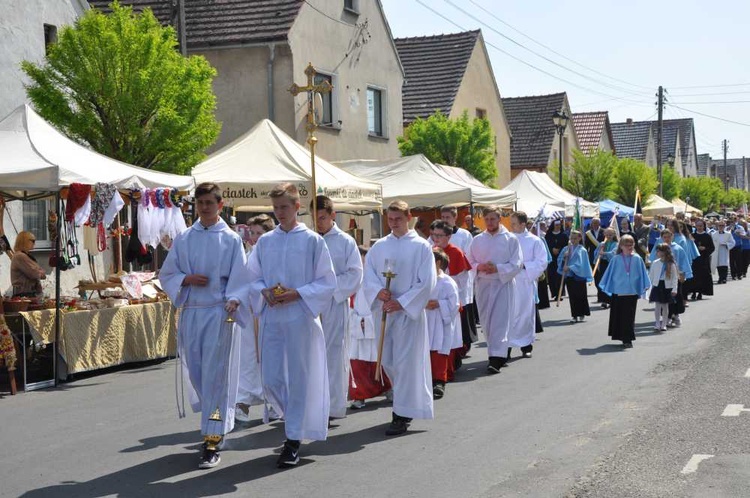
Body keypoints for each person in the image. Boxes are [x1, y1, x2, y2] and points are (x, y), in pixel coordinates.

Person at [160, 182, 251, 469]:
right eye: (200, 203)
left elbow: (241, 277)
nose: (204, 207)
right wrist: (185, 279)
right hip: (192, 313)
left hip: (219, 313)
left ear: (220, 205)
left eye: (210, 203)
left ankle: (212, 439)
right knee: (198, 375)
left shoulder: (231, 239)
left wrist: (235, 298)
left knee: (216, 378)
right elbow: (168, 273)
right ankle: (219, 421)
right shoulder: (185, 238)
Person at [246, 182, 336, 468]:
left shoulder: (312, 241)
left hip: (300, 316)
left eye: (284, 207)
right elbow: (252, 275)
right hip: (273, 315)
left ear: (297, 207)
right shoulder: (266, 241)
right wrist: (264, 291)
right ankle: (297, 419)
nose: (279, 212)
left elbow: (326, 281)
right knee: (271, 378)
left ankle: (293, 439)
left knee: (299, 377)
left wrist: (298, 293)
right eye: (275, 208)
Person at [362, 200, 436, 436]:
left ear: (408, 217)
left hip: (407, 315)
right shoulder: (379, 246)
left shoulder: (421, 247)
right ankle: (405, 404)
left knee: (406, 363)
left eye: (398, 219)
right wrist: (378, 291)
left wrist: (402, 302)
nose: (393, 224)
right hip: (384, 312)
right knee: (388, 362)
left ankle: (401, 414)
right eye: (390, 219)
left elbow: (426, 282)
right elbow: (369, 275)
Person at [313, 195, 363, 420]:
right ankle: (312, 403)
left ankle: (333, 405)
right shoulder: (309, 239)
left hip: (334, 302)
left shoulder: (345, 241)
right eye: (315, 219)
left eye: (322, 218)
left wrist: (331, 289)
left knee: (333, 353)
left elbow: (355, 273)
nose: (319, 223)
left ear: (333, 215)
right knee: (311, 354)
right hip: (311, 303)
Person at [467, 205, 522, 374]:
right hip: (483, 284)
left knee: (500, 321)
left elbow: (517, 263)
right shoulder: (477, 240)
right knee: (486, 321)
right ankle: (496, 352)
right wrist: (480, 266)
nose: (490, 222)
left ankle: (496, 358)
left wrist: (498, 268)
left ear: (499, 219)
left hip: (502, 284)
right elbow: (469, 262)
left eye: (493, 219)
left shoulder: (510, 239)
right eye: (487, 219)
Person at [235, 214, 275, 423]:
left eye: (260, 233)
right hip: (249, 313)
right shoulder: (247, 254)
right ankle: (243, 402)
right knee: (249, 357)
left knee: (270, 357)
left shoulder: (273, 254)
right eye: (253, 233)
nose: (255, 237)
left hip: (268, 309)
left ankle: (275, 401)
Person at [348, 246, 392, 410]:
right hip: (357, 323)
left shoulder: (377, 279)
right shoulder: (353, 279)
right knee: (358, 362)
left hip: (375, 322)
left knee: (380, 358)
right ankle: (359, 395)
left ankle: (388, 388)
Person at [429, 220, 472, 375]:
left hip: (450, 300)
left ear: (448, 236)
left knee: (449, 336)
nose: (436, 239)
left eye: (440, 235)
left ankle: (448, 368)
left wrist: (447, 289)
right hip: (430, 304)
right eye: (434, 235)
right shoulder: (429, 252)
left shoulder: (456, 252)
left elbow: (462, 279)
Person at [437, 206, 478, 352]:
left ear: (455, 218)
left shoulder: (464, 235)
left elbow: (470, 255)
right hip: (441, 278)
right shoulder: (436, 233)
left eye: (448, 217)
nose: (445, 220)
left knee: (461, 312)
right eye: (443, 217)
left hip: (460, 277)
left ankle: (464, 343)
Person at [598, 235, 650, 348]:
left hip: (631, 292)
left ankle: (628, 338)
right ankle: (621, 336)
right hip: (618, 291)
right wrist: (608, 286)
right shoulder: (616, 259)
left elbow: (643, 273)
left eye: (631, 244)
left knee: (629, 316)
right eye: (626, 244)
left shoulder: (637, 258)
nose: (629, 246)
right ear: (621, 246)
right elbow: (609, 274)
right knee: (619, 315)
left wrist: (645, 285)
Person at [509, 211, 548, 356]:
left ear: (523, 224)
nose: (511, 226)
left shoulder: (534, 241)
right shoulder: (508, 239)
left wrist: (524, 266)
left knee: (524, 313)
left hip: (525, 281)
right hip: (508, 281)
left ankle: (526, 345)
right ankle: (506, 348)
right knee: (509, 314)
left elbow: (542, 261)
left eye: (513, 223)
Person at [425, 248, 460, 400]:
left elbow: (454, 304)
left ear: (438, 263)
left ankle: (439, 381)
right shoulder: (424, 280)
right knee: (425, 351)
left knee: (439, 352)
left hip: (440, 321)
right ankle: (425, 380)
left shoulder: (447, 282)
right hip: (425, 320)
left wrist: (439, 303)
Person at [650, 229, 692, 328]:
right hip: (662, 280)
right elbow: (653, 260)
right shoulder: (660, 248)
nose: (667, 239)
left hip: (675, 276)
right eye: (664, 237)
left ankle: (675, 315)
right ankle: (667, 318)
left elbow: (684, 260)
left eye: (669, 237)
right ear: (661, 238)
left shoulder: (677, 248)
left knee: (675, 298)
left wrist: (683, 273)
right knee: (662, 302)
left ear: (672, 237)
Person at [557, 230, 593, 323]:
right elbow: (559, 259)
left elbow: (581, 263)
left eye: (575, 238)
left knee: (581, 295)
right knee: (572, 296)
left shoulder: (582, 250)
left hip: (579, 276)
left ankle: (582, 312)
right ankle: (575, 314)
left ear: (580, 238)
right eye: (571, 238)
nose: (573, 240)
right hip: (569, 276)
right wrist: (564, 258)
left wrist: (570, 267)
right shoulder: (566, 248)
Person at [648, 243, 678, 332]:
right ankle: (657, 323)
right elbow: (651, 275)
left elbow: (674, 277)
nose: (658, 253)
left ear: (665, 252)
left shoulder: (671, 264)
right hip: (657, 285)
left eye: (660, 251)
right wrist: (649, 287)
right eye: (657, 251)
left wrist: (674, 288)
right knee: (657, 306)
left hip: (667, 286)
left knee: (665, 306)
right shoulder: (655, 263)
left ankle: (664, 324)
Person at [10, 231, 46, 297]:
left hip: (28, 294)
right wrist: (39, 272)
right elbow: (34, 274)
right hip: (23, 295)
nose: (34, 243)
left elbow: (43, 275)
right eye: (33, 241)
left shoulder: (27, 256)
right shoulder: (20, 256)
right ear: (25, 241)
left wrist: (39, 272)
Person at [688, 219, 714, 300]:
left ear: (704, 226)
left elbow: (712, 248)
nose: (699, 227)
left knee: (702, 276)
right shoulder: (692, 235)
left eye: (701, 226)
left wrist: (705, 248)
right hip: (694, 259)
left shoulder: (707, 236)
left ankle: (700, 292)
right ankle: (693, 292)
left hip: (704, 259)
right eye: (698, 226)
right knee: (694, 276)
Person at [593, 228, 618, 307]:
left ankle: (611, 300)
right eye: (607, 235)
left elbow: (613, 253)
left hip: (611, 264)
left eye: (610, 235)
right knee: (602, 281)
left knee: (610, 281)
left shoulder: (616, 244)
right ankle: (604, 300)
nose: (608, 236)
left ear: (614, 235)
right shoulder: (602, 244)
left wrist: (604, 253)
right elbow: (596, 253)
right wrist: (599, 252)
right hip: (603, 265)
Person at [545, 219, 568, 300]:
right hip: (551, 259)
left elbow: (566, 246)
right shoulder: (548, 235)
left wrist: (560, 250)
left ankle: (560, 294)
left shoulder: (564, 235)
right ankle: (554, 293)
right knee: (552, 276)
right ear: (553, 226)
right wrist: (552, 250)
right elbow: (546, 245)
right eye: (556, 225)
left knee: (559, 276)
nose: (558, 227)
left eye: (559, 225)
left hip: (561, 258)